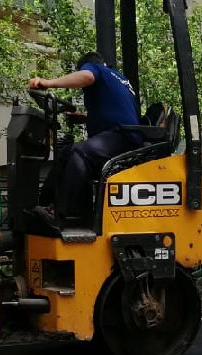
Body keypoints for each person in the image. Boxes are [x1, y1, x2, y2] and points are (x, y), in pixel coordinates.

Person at [27, 52, 142, 227]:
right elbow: (117, 111)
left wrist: (48, 82)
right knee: (64, 153)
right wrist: (84, 118)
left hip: (124, 137)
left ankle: (59, 213)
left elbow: (87, 77)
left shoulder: (96, 69)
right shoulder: (119, 78)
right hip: (119, 135)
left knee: (80, 152)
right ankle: (42, 206)